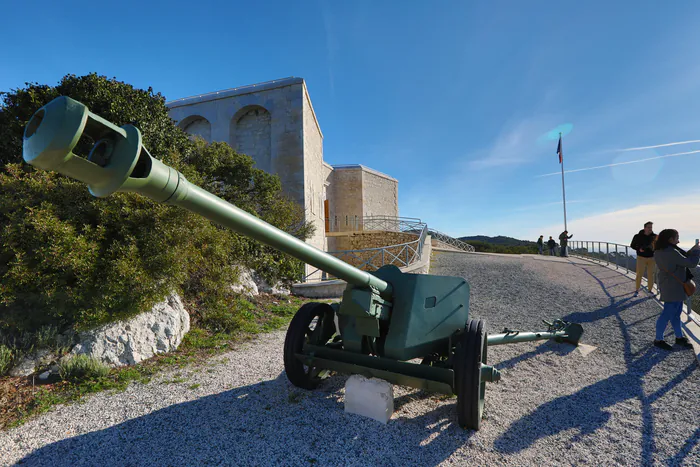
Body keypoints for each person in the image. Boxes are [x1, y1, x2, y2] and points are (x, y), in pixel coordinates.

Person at [652, 229, 700, 350]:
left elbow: (681, 258)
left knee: (676, 313)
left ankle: (679, 337)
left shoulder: (660, 250)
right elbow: (691, 263)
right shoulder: (671, 252)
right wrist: (697, 252)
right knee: (668, 313)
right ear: (670, 239)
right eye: (676, 237)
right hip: (673, 286)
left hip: (670, 285)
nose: (678, 240)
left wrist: (692, 251)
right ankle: (658, 339)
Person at [630, 221, 657, 297]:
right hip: (641, 258)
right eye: (648, 227)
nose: (650, 229)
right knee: (639, 274)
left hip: (652, 258)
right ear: (644, 228)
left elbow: (658, 246)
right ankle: (637, 290)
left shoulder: (655, 237)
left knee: (651, 275)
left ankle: (650, 291)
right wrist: (639, 249)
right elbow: (632, 245)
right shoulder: (637, 236)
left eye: (651, 227)